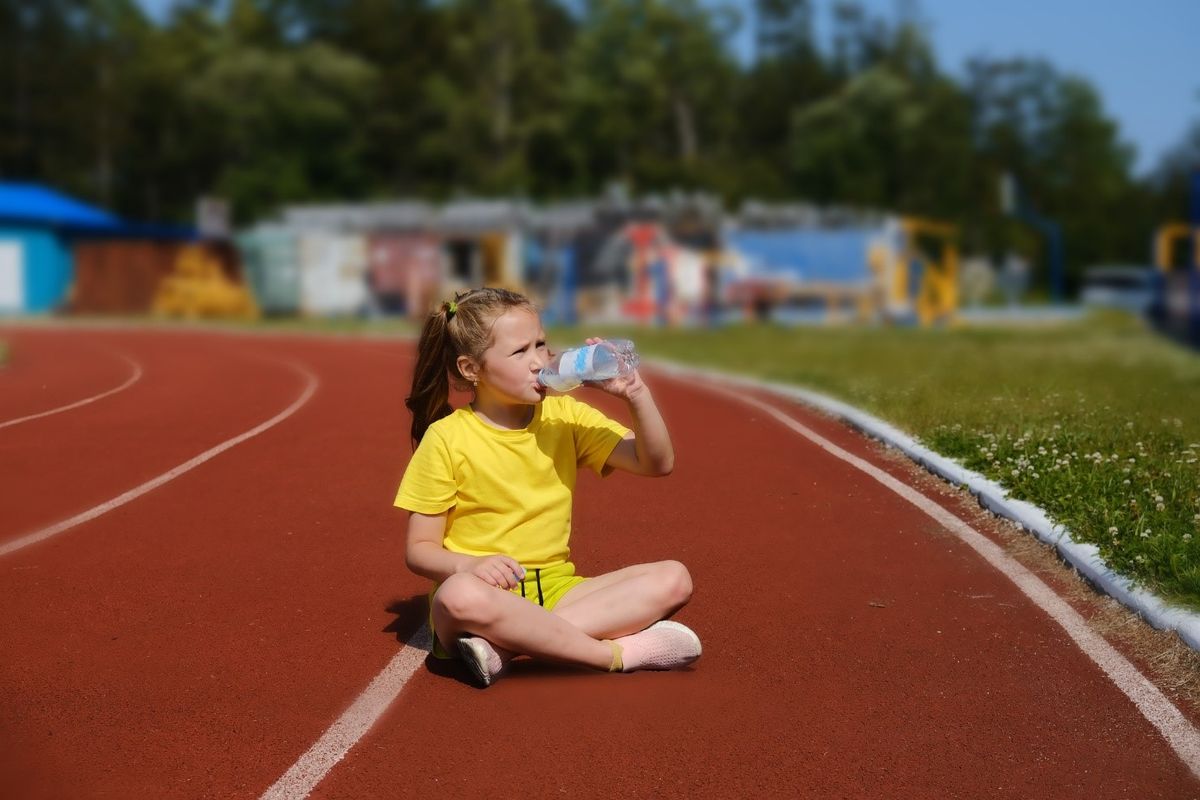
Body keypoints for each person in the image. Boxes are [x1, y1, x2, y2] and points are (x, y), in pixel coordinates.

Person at [395, 286, 701, 687]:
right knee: (457, 596)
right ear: (471, 369)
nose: (540, 361)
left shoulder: (564, 416)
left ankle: (506, 647)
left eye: (541, 344)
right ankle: (615, 657)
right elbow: (419, 551)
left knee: (674, 578)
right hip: (484, 598)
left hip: (558, 590)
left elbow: (657, 463)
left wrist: (635, 394)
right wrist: (468, 565)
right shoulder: (447, 438)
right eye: (520, 352)